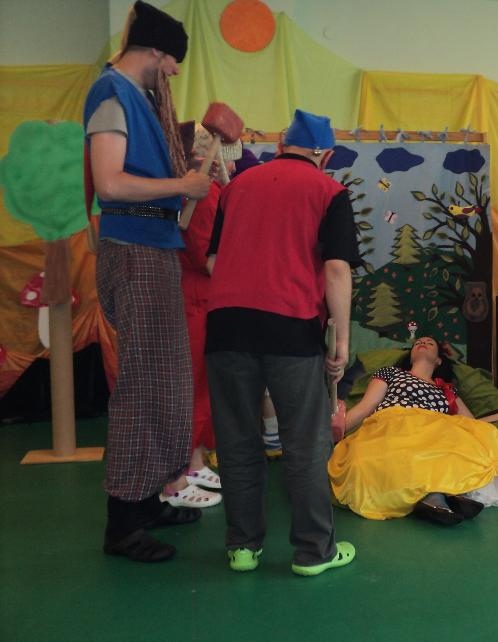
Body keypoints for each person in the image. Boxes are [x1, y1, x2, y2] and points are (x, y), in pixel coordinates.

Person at [205, 109, 360, 575]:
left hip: (226, 327)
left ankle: (242, 547)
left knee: (237, 440)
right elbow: (337, 269)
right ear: (325, 155)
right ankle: (315, 552)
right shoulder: (329, 191)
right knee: (305, 443)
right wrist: (342, 339)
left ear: (279, 146)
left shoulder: (235, 187)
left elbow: (212, 261)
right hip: (290, 327)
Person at [84, 0, 211, 563]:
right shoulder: (111, 94)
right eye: (173, 62)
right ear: (156, 51)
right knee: (142, 384)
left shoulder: (138, 98)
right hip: (133, 248)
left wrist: (188, 176)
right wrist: (180, 186)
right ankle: (123, 523)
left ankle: (151, 496)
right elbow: (110, 183)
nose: (174, 73)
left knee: (168, 380)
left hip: (153, 247)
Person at [328, 337, 498, 525]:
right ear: (410, 354)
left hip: (437, 428)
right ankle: (438, 497)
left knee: (471, 439)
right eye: (418, 342)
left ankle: (442, 496)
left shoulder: (447, 389)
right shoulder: (390, 373)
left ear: (439, 360)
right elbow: (366, 407)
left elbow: (473, 423)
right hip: (394, 422)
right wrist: (332, 433)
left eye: (429, 343)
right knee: (382, 456)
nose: (422, 342)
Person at [160, 126, 245, 509]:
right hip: (195, 299)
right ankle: (175, 478)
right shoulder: (204, 195)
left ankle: (193, 463)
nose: (232, 166)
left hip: (199, 297)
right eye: (228, 158)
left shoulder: (200, 192)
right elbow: (205, 257)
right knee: (192, 387)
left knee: (202, 386)